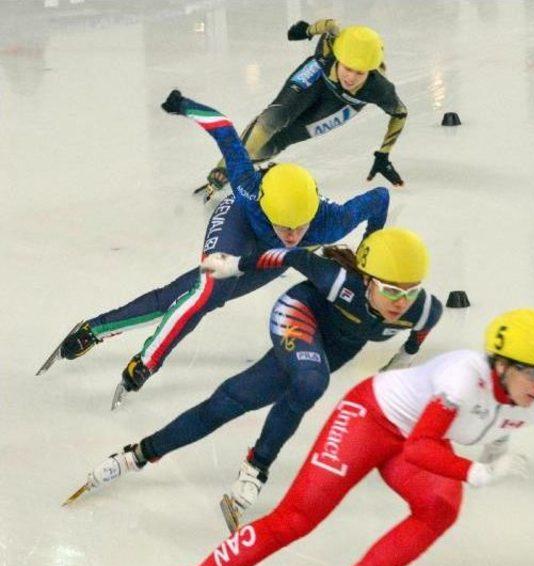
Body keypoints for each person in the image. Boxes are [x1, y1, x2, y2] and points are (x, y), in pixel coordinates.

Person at [122, 308, 534, 566]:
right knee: (296, 519)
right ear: (502, 365)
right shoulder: (463, 377)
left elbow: (498, 419)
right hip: (371, 419)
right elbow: (420, 449)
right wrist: (481, 472)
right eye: (533, 373)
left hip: (415, 439)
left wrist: (495, 446)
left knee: (440, 510)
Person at [69, 228, 442, 534]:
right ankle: (257, 468)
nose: (400, 302)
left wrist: (405, 356)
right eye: (391, 290)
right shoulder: (337, 280)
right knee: (312, 382)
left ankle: (137, 454)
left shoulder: (423, 309)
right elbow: (290, 256)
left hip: (334, 346)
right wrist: (235, 266)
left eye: (409, 292)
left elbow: (422, 327)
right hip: (298, 316)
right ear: (365, 279)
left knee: (229, 402)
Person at [38, 91, 389, 402]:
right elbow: (224, 131)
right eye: (285, 227)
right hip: (239, 221)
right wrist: (185, 106)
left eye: (301, 227)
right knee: (207, 294)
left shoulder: (331, 222)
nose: (293, 235)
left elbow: (380, 199)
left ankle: (93, 328)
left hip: (270, 255)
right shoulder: (249, 190)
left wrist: (367, 252)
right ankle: (148, 360)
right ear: (267, 208)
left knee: (190, 295)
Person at [195, 21, 407, 203]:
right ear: (338, 57)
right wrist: (307, 30)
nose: (350, 77)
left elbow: (400, 114)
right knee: (274, 117)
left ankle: (243, 155)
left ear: (370, 71)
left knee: (278, 141)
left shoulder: (380, 89)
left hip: (344, 103)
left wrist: (383, 153)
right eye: (347, 67)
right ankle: (224, 168)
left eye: (359, 72)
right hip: (316, 76)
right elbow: (331, 25)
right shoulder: (328, 50)